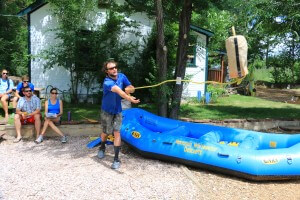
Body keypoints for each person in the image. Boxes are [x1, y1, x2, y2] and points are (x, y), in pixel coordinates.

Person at [97, 60, 140, 169]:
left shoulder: (122, 76)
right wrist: (129, 98)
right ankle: (102, 147)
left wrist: (130, 89)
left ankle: (116, 159)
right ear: (107, 71)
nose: (114, 69)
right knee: (105, 132)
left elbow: (131, 87)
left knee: (117, 133)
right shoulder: (107, 82)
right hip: (106, 111)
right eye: (111, 68)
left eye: (115, 67)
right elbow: (120, 92)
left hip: (118, 111)